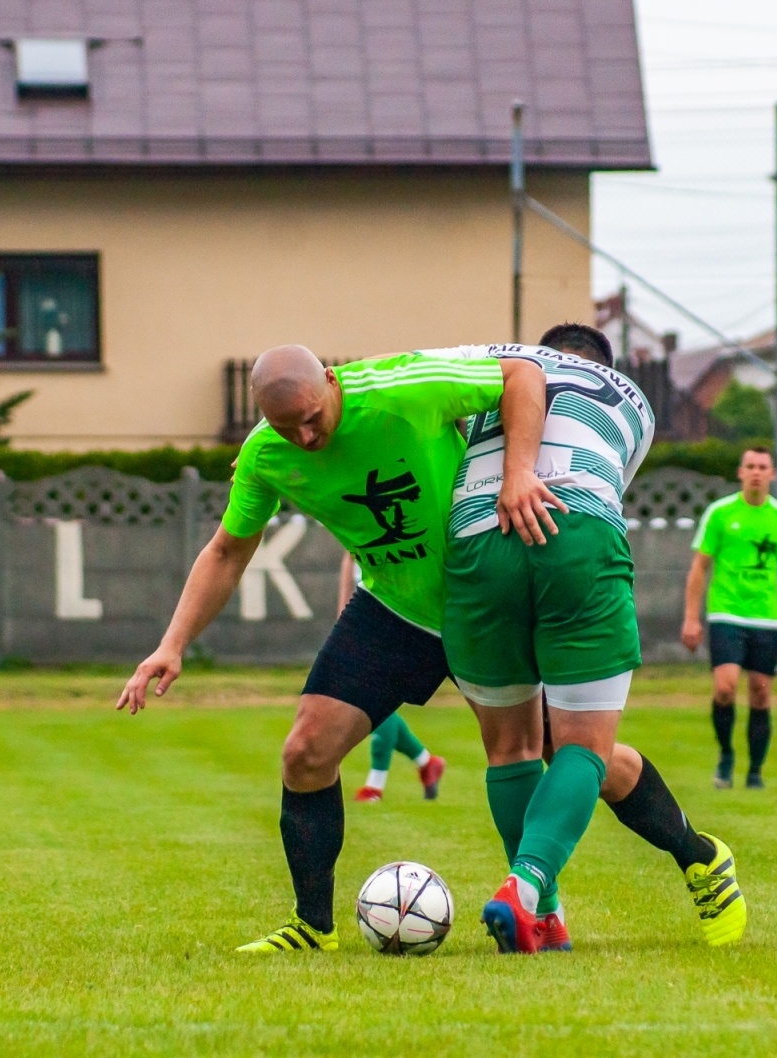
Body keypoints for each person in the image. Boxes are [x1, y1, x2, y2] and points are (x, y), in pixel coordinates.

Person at [118, 344, 560, 954]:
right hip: (397, 609)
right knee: (305, 752)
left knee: (578, 754)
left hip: (483, 599)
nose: (303, 436)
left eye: (310, 417)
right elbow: (227, 549)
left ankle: (696, 858)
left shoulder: (404, 391)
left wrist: (518, 472)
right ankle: (311, 926)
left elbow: (522, 374)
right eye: (284, 426)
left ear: (330, 381)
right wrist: (172, 644)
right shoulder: (266, 456)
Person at [439, 324, 747, 953]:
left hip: (477, 539)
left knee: (518, 749)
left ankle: (553, 902)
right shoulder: (634, 401)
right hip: (574, 531)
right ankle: (535, 896)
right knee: (583, 749)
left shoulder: (493, 362)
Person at [681, 446, 777, 790]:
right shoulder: (720, 513)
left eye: (763, 467)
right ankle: (725, 756)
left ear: (773, 474)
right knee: (725, 688)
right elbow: (700, 566)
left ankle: (754, 771)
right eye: (750, 466)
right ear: (740, 472)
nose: (756, 472)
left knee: (760, 693)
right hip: (725, 612)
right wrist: (691, 618)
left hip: (766, 618)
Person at [337, 553, 445, 802]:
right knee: (378, 701)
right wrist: (344, 612)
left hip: (400, 615)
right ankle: (427, 762)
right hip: (366, 613)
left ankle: (376, 785)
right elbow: (348, 556)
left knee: (376, 700)